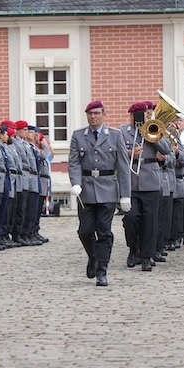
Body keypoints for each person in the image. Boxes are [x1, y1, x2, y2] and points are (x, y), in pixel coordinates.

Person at [68, 100, 131, 287]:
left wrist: (125, 194)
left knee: (104, 231)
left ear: (103, 114)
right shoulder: (78, 136)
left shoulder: (114, 135)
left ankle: (102, 270)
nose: (93, 117)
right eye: (90, 113)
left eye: (96, 113)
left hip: (108, 188)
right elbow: (73, 162)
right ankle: (93, 257)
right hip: (86, 189)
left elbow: (123, 166)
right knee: (85, 231)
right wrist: (76, 182)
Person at [120, 102, 166, 271]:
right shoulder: (122, 131)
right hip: (131, 182)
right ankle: (133, 250)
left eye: (144, 115)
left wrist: (151, 135)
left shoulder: (154, 128)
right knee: (131, 219)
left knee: (150, 221)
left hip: (151, 181)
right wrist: (129, 153)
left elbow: (166, 150)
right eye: (137, 115)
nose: (140, 117)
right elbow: (114, 152)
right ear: (131, 115)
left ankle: (147, 256)